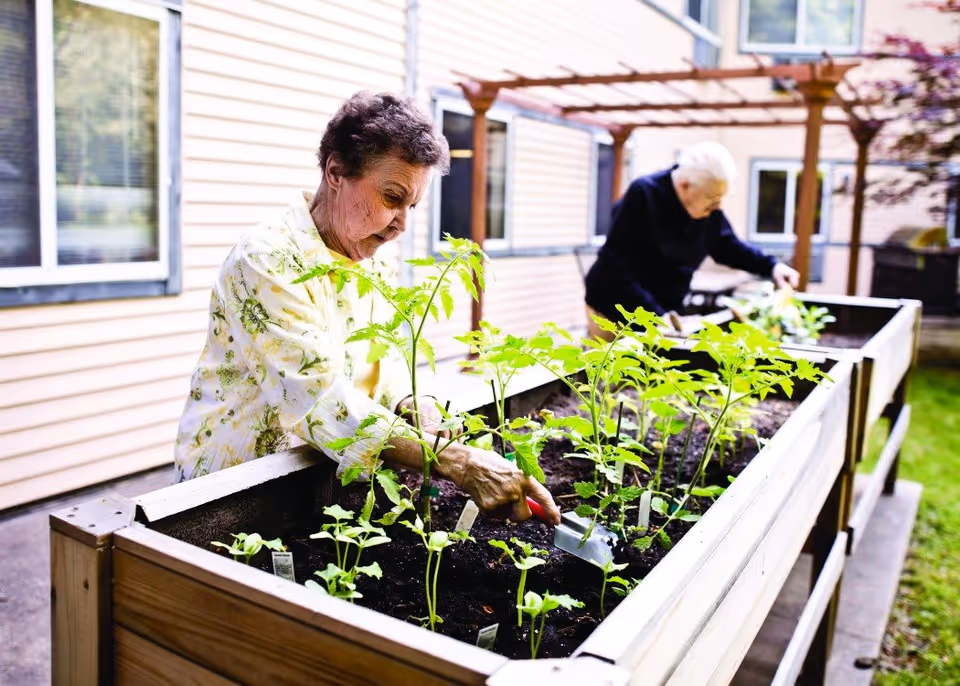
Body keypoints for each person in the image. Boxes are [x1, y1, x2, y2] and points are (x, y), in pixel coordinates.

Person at [174, 92, 560, 525]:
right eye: (392, 198)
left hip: (315, 483)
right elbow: (320, 398)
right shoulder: (267, 261)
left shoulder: (369, 259)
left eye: (412, 206)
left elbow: (382, 357)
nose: (402, 225)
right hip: (233, 494)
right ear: (336, 172)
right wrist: (459, 462)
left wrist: (412, 401)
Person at [585, 141, 799, 334]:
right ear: (685, 185)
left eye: (721, 198)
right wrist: (655, 315)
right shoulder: (644, 194)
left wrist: (772, 266)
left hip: (661, 314)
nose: (718, 207)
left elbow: (727, 245)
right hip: (612, 307)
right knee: (606, 376)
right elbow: (616, 267)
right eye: (713, 198)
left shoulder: (708, 209)